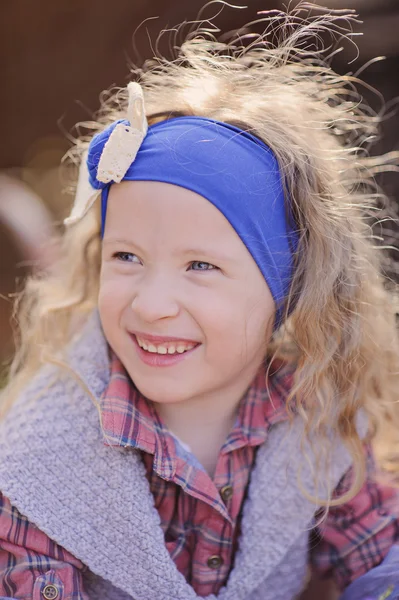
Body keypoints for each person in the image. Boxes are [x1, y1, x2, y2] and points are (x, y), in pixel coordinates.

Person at [1, 4, 399, 600]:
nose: (154, 304)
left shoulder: (317, 415)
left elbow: (383, 559)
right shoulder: (39, 463)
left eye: (201, 266)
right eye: (127, 257)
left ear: (286, 288)